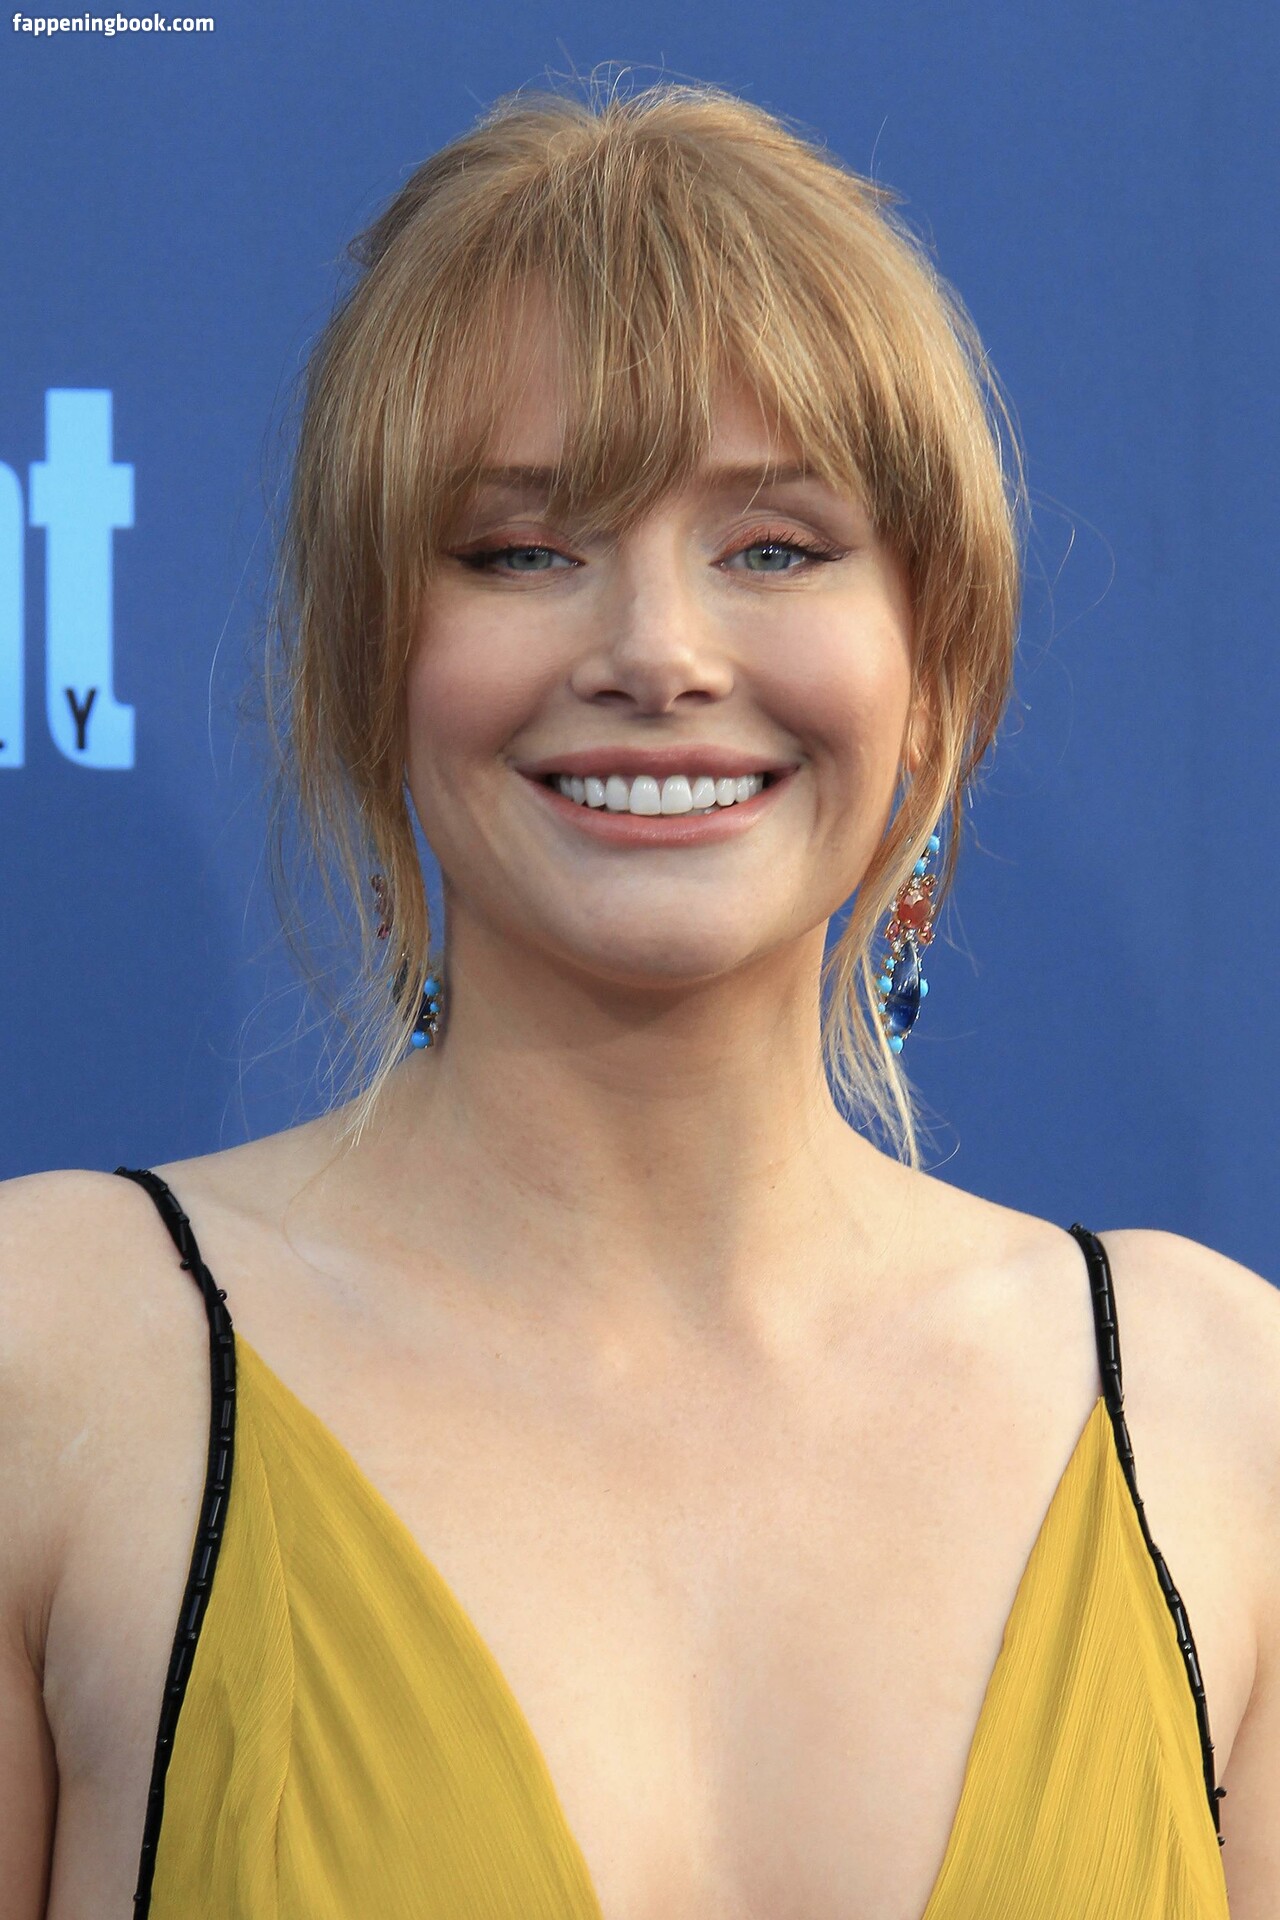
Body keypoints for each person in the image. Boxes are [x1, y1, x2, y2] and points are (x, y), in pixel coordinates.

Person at [1, 77, 1276, 1920]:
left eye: (775, 547)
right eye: (522, 550)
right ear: (370, 664)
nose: (658, 652)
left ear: (935, 671)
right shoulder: (59, 1359)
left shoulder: (1218, 1413)